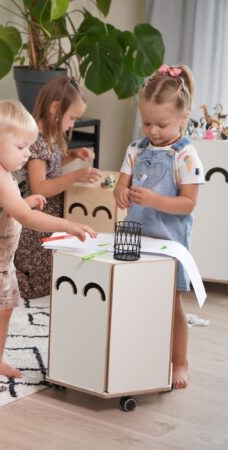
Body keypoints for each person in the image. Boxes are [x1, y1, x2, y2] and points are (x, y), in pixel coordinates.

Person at [0, 100, 97, 391]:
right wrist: (66, 225)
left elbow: (10, 208)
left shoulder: (4, 176)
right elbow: (26, 218)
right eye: (21, 148)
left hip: (1, 265)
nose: (28, 154)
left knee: (3, 312)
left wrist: (24, 202)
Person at [114, 64, 204, 389]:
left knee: (170, 303)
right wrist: (122, 193)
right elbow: (119, 186)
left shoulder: (186, 156)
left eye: (161, 124)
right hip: (134, 240)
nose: (152, 130)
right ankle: (137, 352)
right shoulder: (135, 149)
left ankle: (179, 362)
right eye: (147, 122)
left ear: (183, 116)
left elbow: (188, 203)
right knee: (133, 298)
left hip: (168, 242)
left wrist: (152, 200)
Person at [14, 76, 102, 300]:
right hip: (38, 221)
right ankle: (9, 282)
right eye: (72, 117)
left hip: (51, 216)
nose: (73, 124)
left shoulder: (50, 138)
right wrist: (75, 175)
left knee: (58, 275)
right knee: (43, 285)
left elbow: (49, 167)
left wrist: (72, 155)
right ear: (55, 108)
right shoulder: (37, 141)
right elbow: (40, 187)